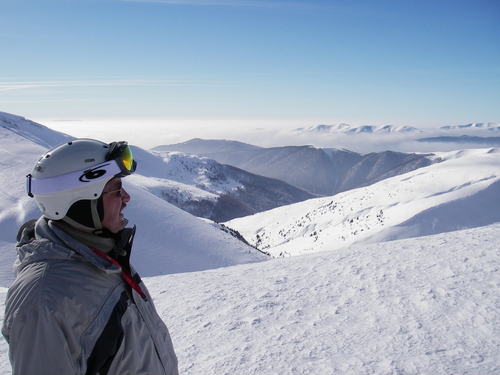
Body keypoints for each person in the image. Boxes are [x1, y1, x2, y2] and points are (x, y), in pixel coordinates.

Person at [2, 139, 178, 375]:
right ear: (81, 201)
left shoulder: (105, 259)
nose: (126, 198)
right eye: (117, 189)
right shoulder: (43, 299)